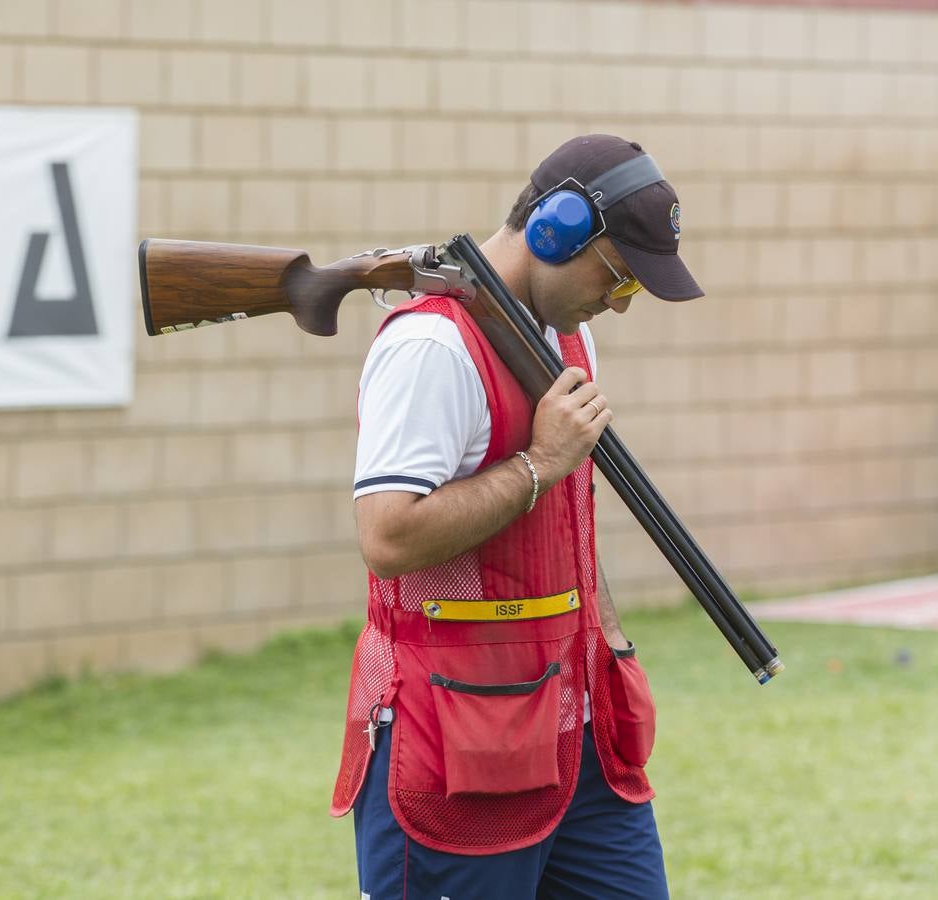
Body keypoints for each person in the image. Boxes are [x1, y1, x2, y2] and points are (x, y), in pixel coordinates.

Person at [331, 134, 703, 898]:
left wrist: (610, 642)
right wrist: (537, 464)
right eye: (619, 274)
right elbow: (388, 535)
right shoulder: (433, 344)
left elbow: (569, 512)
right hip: (454, 743)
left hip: (578, 734)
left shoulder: (571, 335)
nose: (622, 301)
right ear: (556, 228)